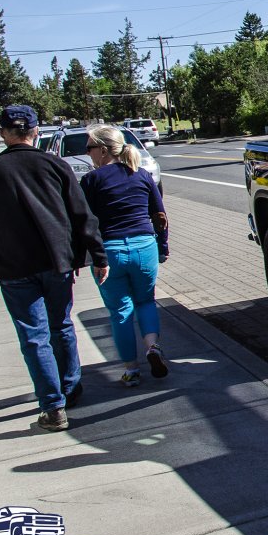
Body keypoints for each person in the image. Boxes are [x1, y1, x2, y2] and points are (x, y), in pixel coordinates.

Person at [0, 105, 108, 433]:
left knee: (34, 336)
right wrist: (96, 256)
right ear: (36, 132)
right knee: (61, 326)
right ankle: (70, 387)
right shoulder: (55, 166)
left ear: (3, 133)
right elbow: (82, 216)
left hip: (13, 269)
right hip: (57, 262)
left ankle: (53, 406)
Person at [79, 124, 170, 387]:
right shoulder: (141, 175)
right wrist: (162, 248)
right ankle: (152, 347)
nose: (88, 154)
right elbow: (160, 216)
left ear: (104, 150)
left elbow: (85, 223)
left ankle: (131, 370)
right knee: (145, 301)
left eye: (89, 148)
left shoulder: (91, 181)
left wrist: (85, 256)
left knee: (120, 311)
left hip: (110, 252)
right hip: (144, 248)